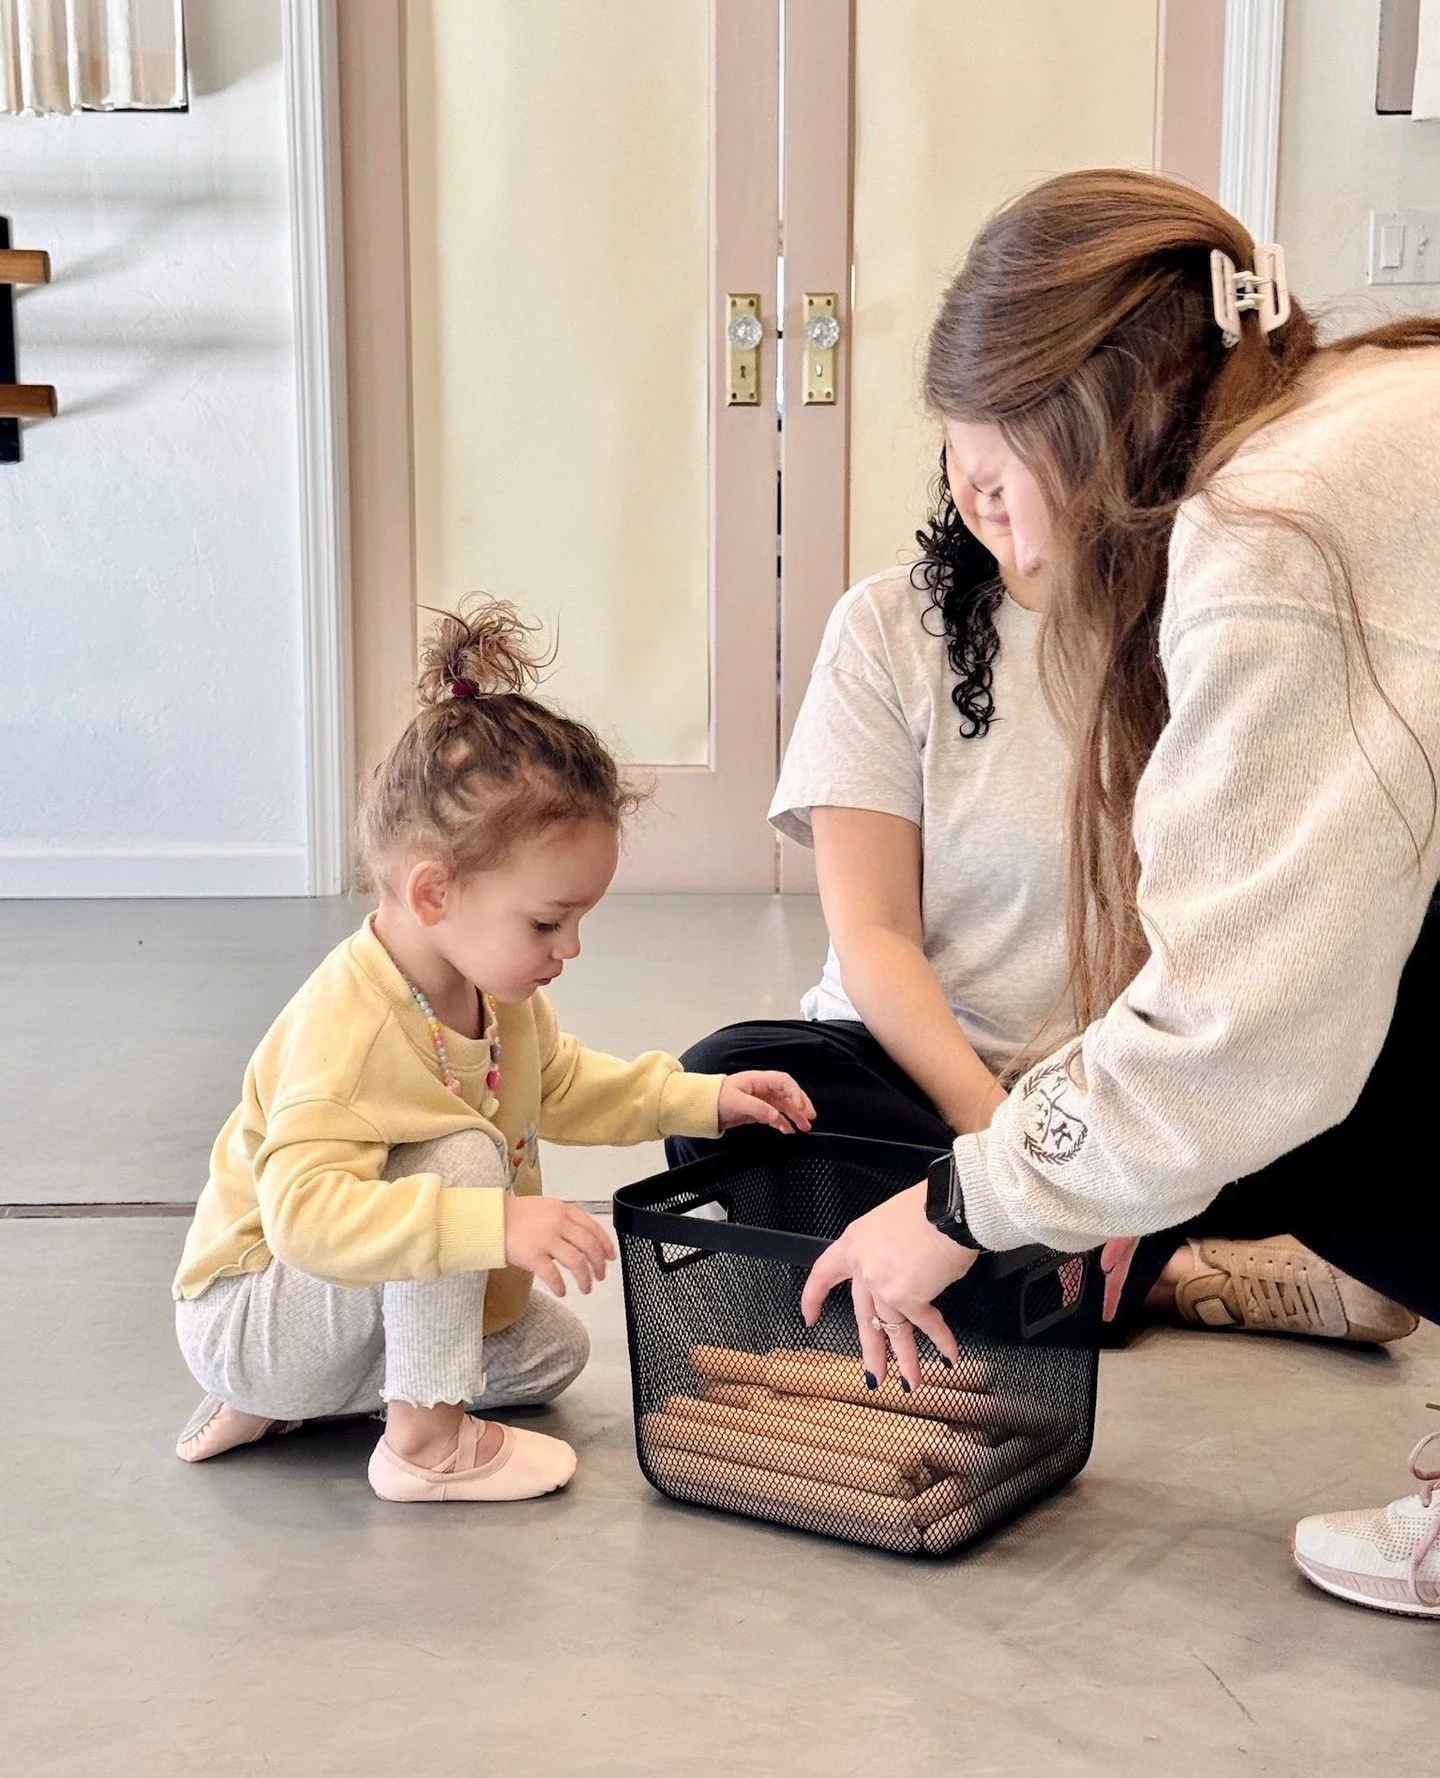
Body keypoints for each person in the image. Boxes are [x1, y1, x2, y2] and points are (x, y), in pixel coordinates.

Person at [759, 170, 1440, 1616]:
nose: (999, 537)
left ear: (1083, 422)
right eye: (964, 497)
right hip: (984, 1072)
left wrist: (966, 1202)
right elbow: (875, 938)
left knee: (1302, 1097)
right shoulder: (1366, 406)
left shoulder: (1270, 530)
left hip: (1072, 1090)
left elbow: (1242, 1019)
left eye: (1000, 486)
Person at [172, 601, 813, 1504]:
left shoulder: (495, 994)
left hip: (337, 1312)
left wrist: (698, 1099)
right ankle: (420, 1447)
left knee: (554, 1352)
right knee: (465, 1156)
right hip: (256, 1314)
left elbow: (560, 1083)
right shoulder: (349, 1031)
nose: (570, 948)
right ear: (434, 893)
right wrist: (495, 1226)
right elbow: (304, 1218)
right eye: (548, 922)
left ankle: (297, 1407)